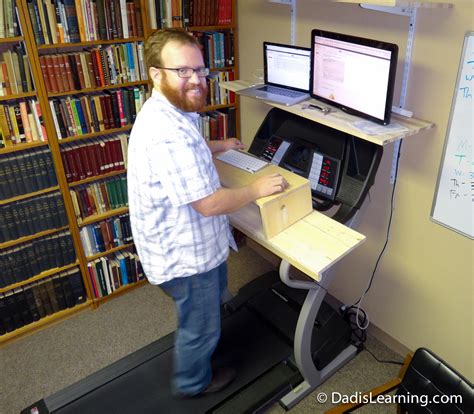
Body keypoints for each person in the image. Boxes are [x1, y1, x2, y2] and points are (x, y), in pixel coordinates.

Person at [127, 28, 289, 398]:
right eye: (183, 71)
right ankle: (192, 383)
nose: (196, 80)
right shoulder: (166, 133)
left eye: (200, 70)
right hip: (185, 257)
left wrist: (219, 145)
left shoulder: (168, 109)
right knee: (198, 327)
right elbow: (210, 203)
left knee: (208, 309)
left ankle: (208, 341)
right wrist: (257, 190)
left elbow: (192, 144)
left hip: (185, 244)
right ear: (157, 74)